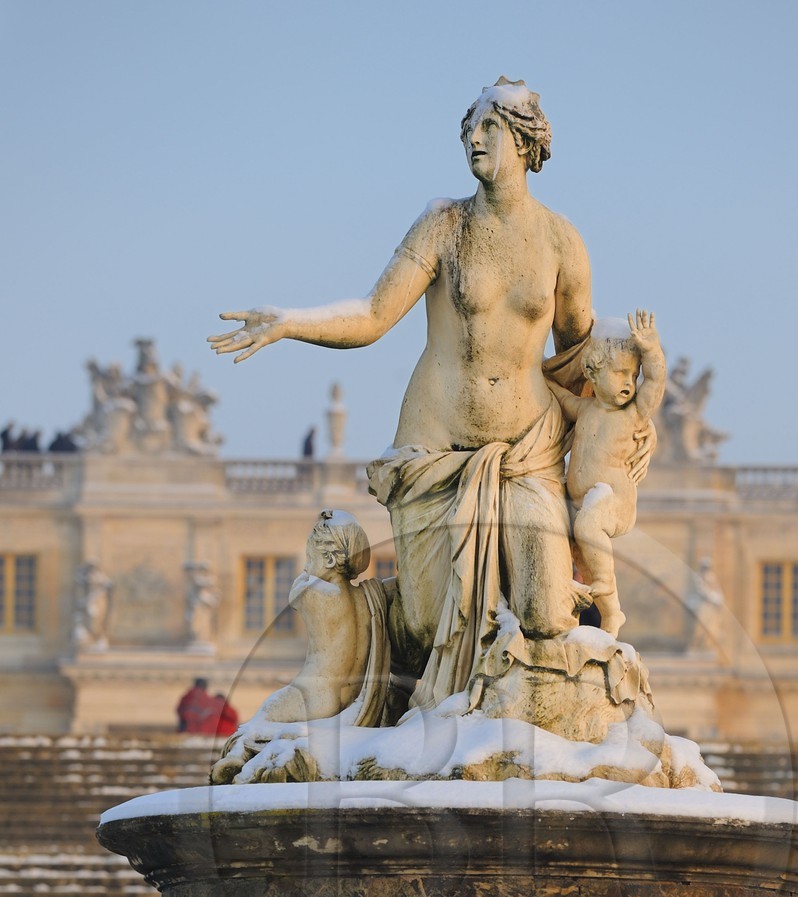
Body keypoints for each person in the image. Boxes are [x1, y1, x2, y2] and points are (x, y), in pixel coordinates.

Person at [209, 80, 654, 713]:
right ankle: (362, 656)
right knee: (422, 630)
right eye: (468, 128)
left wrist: (637, 414)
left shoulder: (561, 242)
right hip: (435, 447)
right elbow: (370, 316)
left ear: (525, 140)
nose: (473, 138)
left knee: (549, 611)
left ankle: (519, 713)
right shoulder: (445, 224)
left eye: (487, 127)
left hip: (525, 447)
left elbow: (585, 353)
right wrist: (290, 322)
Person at [546, 309, 667, 636]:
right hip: (581, 504)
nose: (630, 383)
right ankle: (596, 609)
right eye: (620, 374)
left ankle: (612, 609)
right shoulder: (585, 410)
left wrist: (652, 350)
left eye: (633, 375)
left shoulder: (634, 415)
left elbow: (655, 383)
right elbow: (559, 396)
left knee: (588, 527)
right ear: (592, 372)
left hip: (614, 502)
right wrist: (533, 373)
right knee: (576, 548)